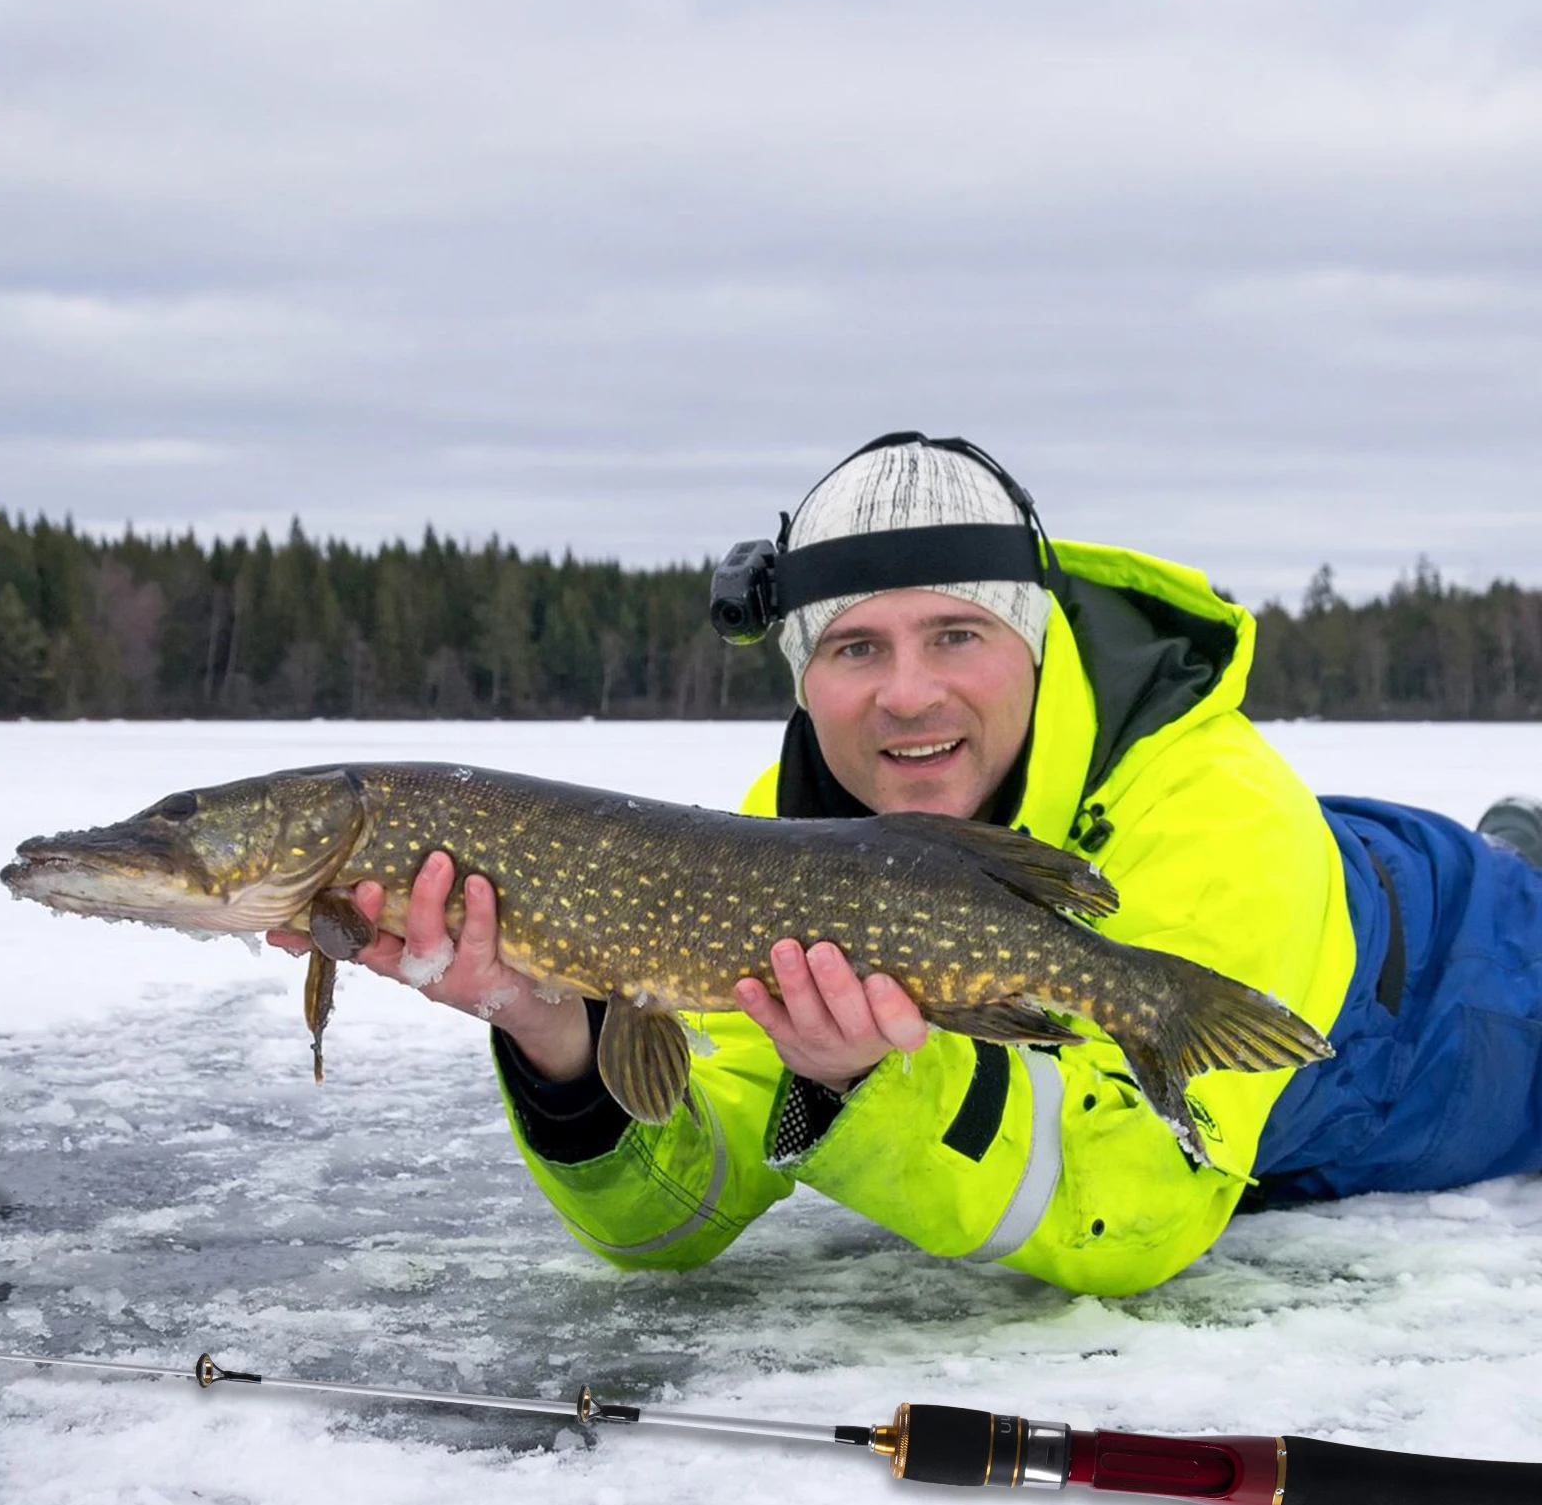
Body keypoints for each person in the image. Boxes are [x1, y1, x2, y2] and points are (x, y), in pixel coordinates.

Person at [272, 432, 1542, 1296]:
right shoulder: (778, 839)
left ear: (1035, 651)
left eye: (955, 633)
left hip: (1453, 994)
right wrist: (556, 1032)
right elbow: (676, 1213)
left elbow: (1129, 1212)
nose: (907, 693)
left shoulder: (1216, 812)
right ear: (805, 675)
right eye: (855, 649)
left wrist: (875, 1086)